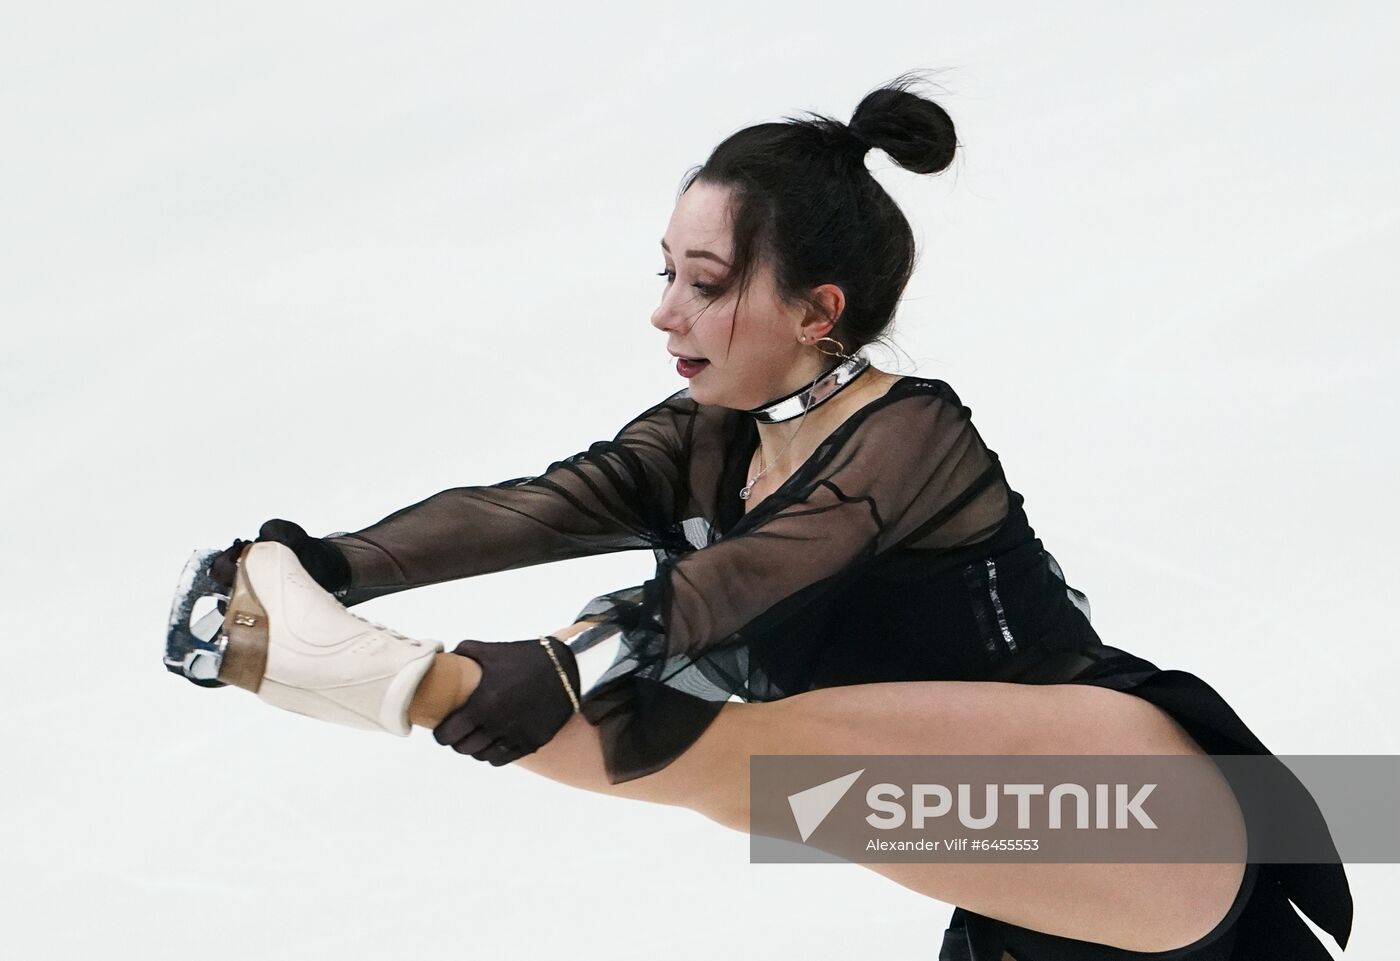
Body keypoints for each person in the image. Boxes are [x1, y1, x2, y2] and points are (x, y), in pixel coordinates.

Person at [189, 72, 1352, 960]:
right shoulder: (705, 435)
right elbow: (541, 507)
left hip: (1130, 804)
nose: (663, 312)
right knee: (714, 746)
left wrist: (564, 655)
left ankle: (387, 680)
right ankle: (363, 664)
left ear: (815, 311)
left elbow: (742, 582)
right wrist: (319, 557)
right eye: (663, 272)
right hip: (1016, 897)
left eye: (704, 281)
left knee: (719, 747)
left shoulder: (908, 434)